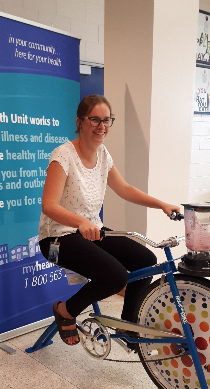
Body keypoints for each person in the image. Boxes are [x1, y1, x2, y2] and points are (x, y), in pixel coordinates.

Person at [39, 95, 180, 345]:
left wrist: (161, 204)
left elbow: (124, 189)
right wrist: (79, 222)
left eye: (106, 120)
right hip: (58, 238)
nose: (101, 126)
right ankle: (65, 311)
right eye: (94, 119)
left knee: (145, 259)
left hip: (92, 231)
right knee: (116, 276)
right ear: (80, 122)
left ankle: (128, 325)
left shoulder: (103, 154)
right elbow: (49, 205)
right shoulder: (62, 155)